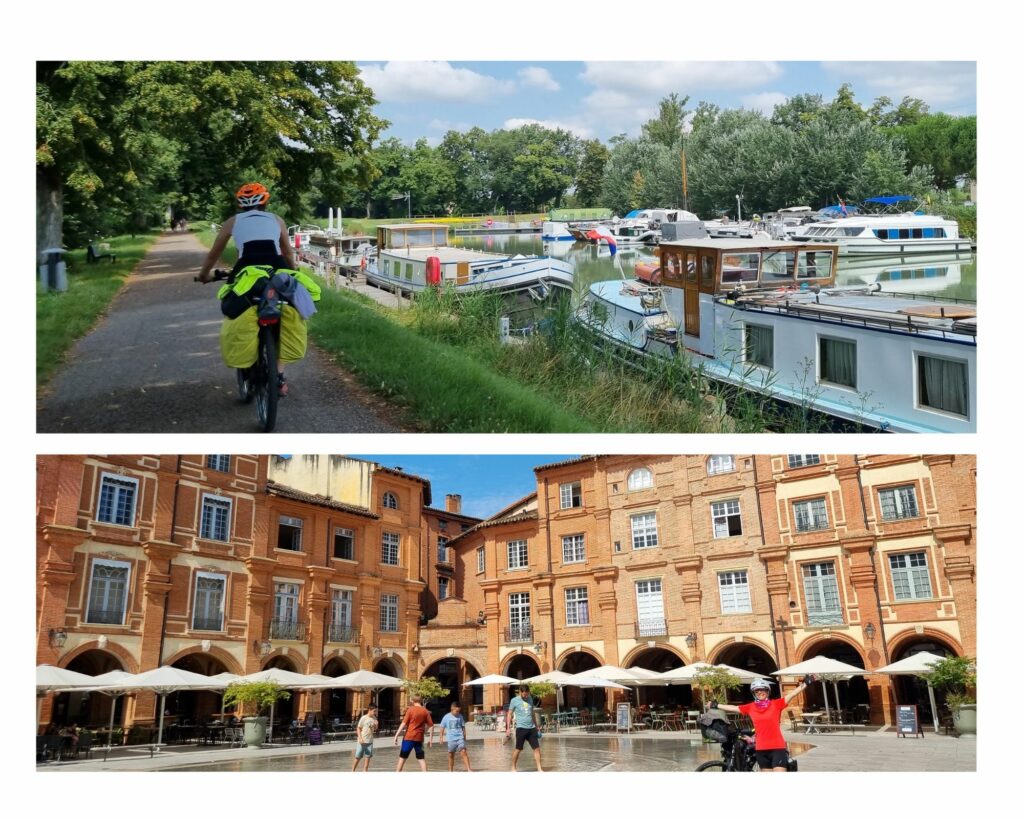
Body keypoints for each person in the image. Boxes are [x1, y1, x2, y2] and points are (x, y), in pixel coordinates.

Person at [197, 182, 297, 395]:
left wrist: (204, 275)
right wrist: (293, 272)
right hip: (276, 270)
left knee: (239, 312)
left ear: (240, 205)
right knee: (287, 314)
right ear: (265, 202)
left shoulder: (232, 222)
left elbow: (214, 254)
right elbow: (287, 253)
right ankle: (279, 376)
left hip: (245, 273)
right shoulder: (277, 220)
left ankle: (246, 360)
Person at [711, 675, 816, 772]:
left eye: (762, 690)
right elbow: (735, 708)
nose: (760, 692)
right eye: (757, 691)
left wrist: (806, 683)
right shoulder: (751, 707)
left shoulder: (776, 704)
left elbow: (792, 694)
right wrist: (717, 705)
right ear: (754, 693)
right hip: (761, 749)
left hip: (777, 748)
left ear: (768, 691)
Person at [506, 684, 543, 772]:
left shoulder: (530, 699)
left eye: (527, 694)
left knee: (536, 748)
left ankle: (539, 768)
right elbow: (509, 714)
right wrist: (508, 728)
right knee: (518, 749)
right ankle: (513, 767)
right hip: (521, 728)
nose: (526, 696)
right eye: (524, 695)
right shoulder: (514, 700)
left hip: (531, 728)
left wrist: (536, 726)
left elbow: (532, 713)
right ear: (520, 692)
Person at [394, 694, 434, 772]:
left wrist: (396, 735)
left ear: (412, 700)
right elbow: (431, 726)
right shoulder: (425, 711)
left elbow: (404, 723)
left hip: (409, 737)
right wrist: (430, 739)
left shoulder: (410, 710)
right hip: (419, 738)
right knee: (421, 758)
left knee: (402, 758)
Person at [440, 701, 473, 772]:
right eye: (457, 711)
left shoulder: (460, 716)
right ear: (452, 709)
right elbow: (442, 727)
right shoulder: (446, 717)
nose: (458, 713)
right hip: (451, 739)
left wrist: (464, 736)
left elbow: (463, 726)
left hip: (459, 737)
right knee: (451, 755)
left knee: (464, 752)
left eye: (459, 711)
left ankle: (469, 769)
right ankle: (450, 770)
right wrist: (441, 738)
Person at [352, 704, 378, 772]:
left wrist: (376, 725)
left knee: (367, 758)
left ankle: (365, 772)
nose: (375, 713)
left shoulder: (374, 718)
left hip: (370, 741)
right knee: (358, 757)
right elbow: (358, 728)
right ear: (369, 710)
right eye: (374, 711)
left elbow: (375, 729)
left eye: (375, 711)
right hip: (362, 740)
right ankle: (352, 771)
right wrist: (360, 738)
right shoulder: (364, 718)